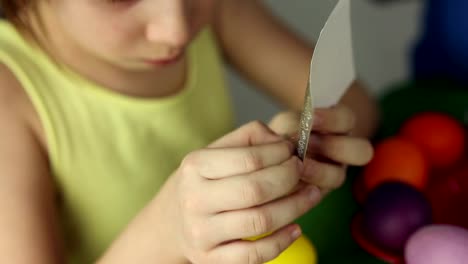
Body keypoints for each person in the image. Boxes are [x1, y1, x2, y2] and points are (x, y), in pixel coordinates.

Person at [0, 1, 378, 263]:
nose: (177, 29)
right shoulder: (10, 95)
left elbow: (357, 107)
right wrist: (167, 232)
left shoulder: (212, 7)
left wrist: (302, 142)